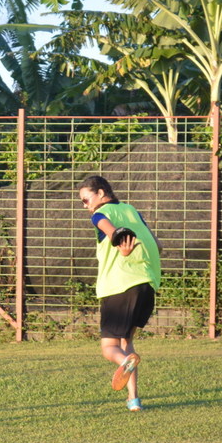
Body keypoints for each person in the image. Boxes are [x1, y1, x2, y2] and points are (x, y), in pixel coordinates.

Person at [78, 175, 163, 412]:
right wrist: (129, 248)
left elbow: (112, 230)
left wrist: (119, 241)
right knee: (127, 342)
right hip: (146, 284)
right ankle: (133, 400)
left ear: (102, 194)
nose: (86, 206)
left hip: (118, 287)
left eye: (86, 200)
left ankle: (124, 363)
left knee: (109, 348)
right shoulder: (132, 210)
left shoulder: (98, 213)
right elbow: (158, 245)